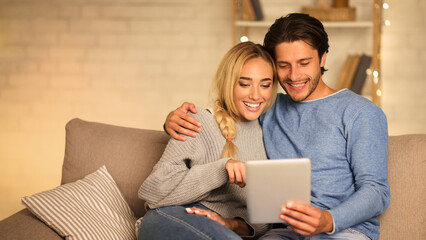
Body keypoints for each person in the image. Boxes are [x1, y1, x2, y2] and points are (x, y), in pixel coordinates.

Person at [164, 13, 390, 240]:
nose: (294, 76)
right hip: (283, 233)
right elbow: (225, 117)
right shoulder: (267, 107)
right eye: (283, 65)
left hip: (343, 231)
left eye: (304, 63)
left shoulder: (361, 113)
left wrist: (328, 220)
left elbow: (376, 191)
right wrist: (174, 121)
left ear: (322, 58)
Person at [137, 41, 278, 240]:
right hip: (175, 216)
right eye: (245, 84)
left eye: (265, 85)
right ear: (228, 83)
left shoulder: (268, 130)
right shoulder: (199, 121)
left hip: (222, 231)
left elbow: (264, 221)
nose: (256, 95)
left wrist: (230, 224)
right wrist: (221, 169)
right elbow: (152, 192)